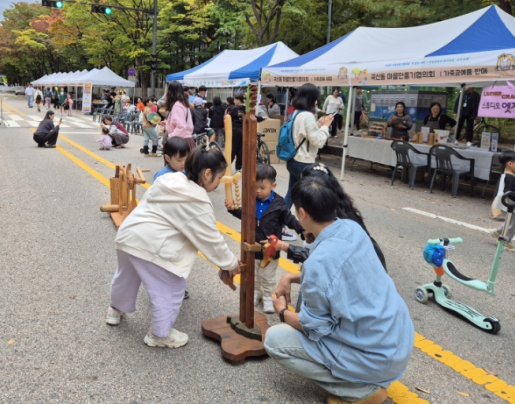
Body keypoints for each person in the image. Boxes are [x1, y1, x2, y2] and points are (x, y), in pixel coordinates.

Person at [264, 175, 414, 404]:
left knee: (274, 340)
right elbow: (333, 276)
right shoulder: (351, 228)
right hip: (398, 340)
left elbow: (313, 328)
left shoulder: (317, 264)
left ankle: (360, 391)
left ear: (302, 214)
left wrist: (282, 312)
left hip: (374, 360)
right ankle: (356, 377)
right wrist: (291, 277)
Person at [107, 146, 241, 348]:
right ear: (207, 174)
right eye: (219, 178)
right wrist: (231, 264)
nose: (219, 183)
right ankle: (159, 334)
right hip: (152, 246)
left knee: (125, 276)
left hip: (128, 236)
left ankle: (114, 310)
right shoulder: (197, 201)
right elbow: (211, 241)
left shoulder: (169, 179)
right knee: (169, 289)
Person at [225, 164, 302, 313]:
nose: (258, 191)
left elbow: (289, 219)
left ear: (273, 185)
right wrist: (232, 209)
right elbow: (244, 215)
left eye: (262, 187)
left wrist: (302, 229)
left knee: (268, 276)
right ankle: (256, 292)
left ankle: (268, 296)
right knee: (254, 274)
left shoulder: (279, 204)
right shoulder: (250, 200)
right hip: (252, 247)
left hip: (271, 250)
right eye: (255, 187)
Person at [284, 83, 333, 209]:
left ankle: (278, 222)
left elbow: (302, 133)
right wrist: (325, 126)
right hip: (303, 162)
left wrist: (318, 123)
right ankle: (309, 226)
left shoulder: (295, 113)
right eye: (316, 99)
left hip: (293, 159)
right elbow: (318, 142)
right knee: (311, 197)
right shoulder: (307, 115)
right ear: (311, 99)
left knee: (291, 194)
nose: (317, 102)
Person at [161, 82, 194, 149]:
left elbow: (181, 126)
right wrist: (167, 123)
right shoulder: (182, 103)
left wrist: (170, 136)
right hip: (185, 140)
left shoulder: (177, 106)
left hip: (180, 142)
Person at [229, 94, 247, 171]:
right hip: (244, 131)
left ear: (238, 100)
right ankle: (238, 167)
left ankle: (227, 165)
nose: (234, 101)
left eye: (235, 100)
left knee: (233, 149)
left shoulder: (234, 109)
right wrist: (261, 118)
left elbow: (228, 118)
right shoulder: (246, 109)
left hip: (235, 131)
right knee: (240, 149)